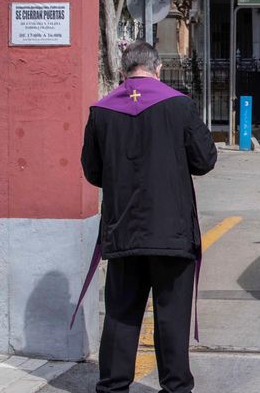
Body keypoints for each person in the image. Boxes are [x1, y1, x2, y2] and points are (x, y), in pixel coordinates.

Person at [80, 41, 217, 392]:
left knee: (122, 315)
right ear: (157, 69)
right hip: (171, 233)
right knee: (171, 317)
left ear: (123, 71)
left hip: (123, 230)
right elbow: (204, 161)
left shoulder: (101, 111)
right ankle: (175, 387)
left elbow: (93, 172)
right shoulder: (180, 106)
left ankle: (112, 386)